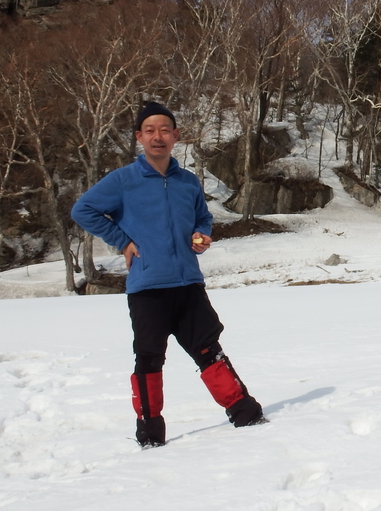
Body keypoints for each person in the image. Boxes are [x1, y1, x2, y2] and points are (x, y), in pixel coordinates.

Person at [71, 101, 264, 447]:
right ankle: (150, 433)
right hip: (148, 286)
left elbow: (202, 217)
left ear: (175, 136)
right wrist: (123, 242)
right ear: (139, 137)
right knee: (148, 357)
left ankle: (246, 414)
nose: (157, 137)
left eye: (164, 130)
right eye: (149, 131)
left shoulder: (187, 181)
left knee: (208, 350)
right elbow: (83, 209)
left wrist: (203, 235)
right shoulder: (123, 180)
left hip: (188, 283)